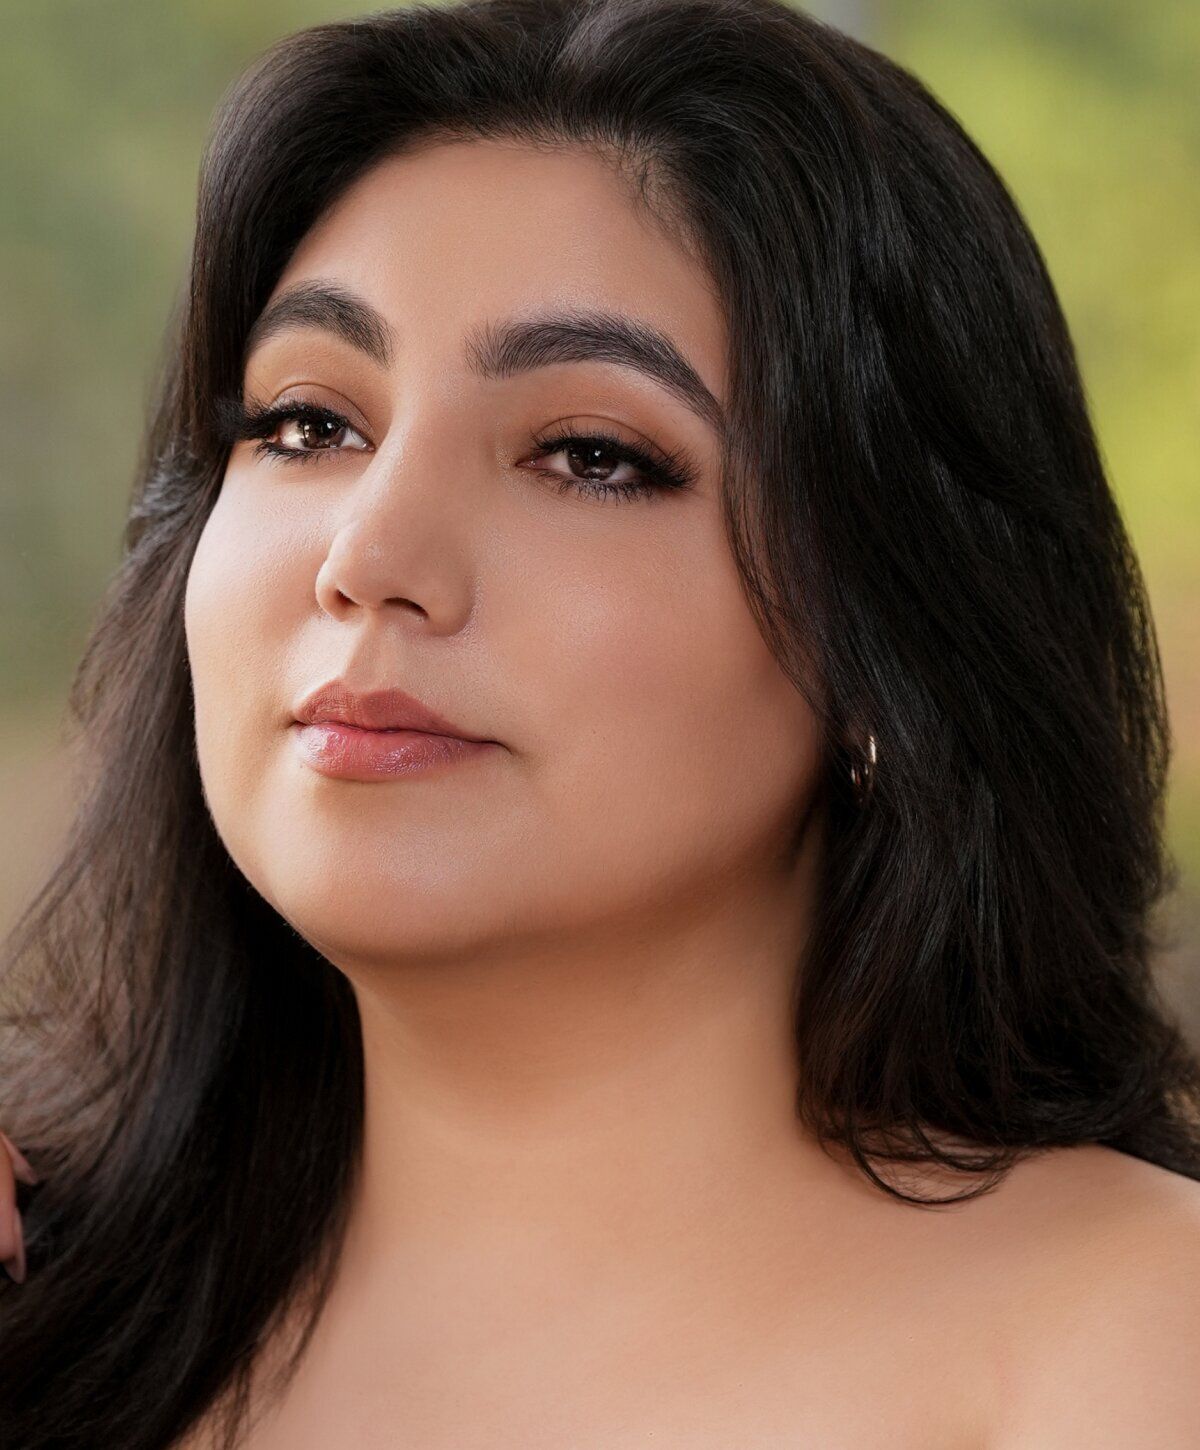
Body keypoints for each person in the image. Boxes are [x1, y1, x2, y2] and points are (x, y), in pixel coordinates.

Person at [3, 0, 1199, 1445]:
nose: (369, 554)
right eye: (310, 423)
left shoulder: (1133, 1336)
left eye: (589, 455)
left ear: (895, 636)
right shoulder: (45, 1319)